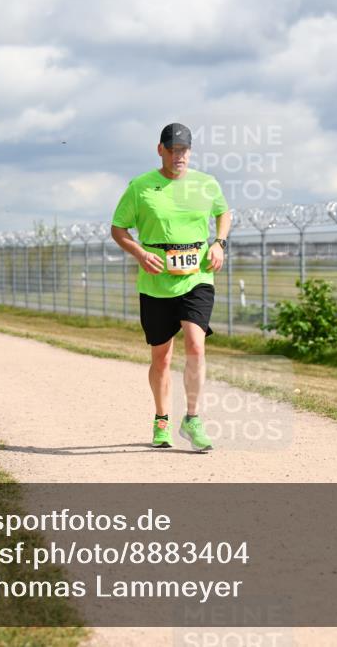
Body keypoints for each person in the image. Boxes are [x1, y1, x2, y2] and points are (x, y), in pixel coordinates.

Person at [110, 122, 232, 452]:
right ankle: (161, 419)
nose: (179, 156)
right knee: (161, 358)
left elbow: (224, 213)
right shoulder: (141, 187)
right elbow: (118, 228)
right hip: (156, 280)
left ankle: (192, 418)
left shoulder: (206, 184)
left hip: (197, 275)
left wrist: (218, 243)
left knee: (196, 343)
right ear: (160, 149)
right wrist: (140, 253)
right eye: (173, 150)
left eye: (185, 150)